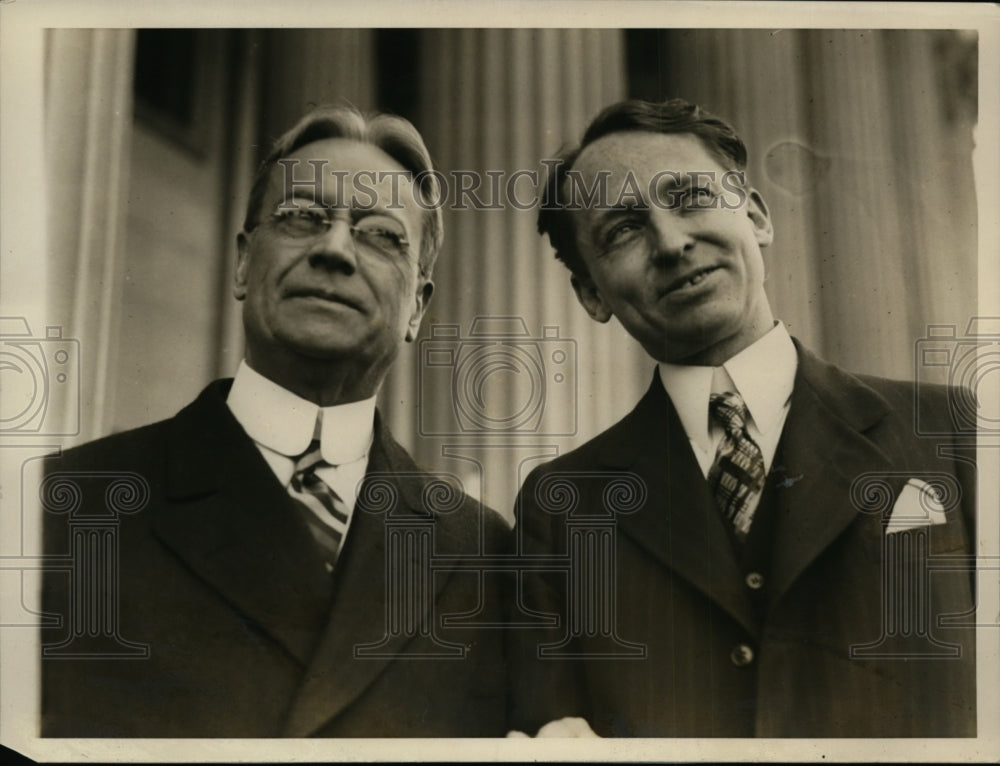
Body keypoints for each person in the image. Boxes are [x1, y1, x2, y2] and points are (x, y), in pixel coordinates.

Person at [508, 98, 976, 737]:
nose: (671, 243)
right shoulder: (562, 508)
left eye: (690, 197)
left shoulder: (955, 429)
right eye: (623, 230)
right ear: (592, 293)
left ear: (755, 215)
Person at [40, 105, 509, 737]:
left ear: (417, 307)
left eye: (380, 234)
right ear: (242, 262)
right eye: (302, 218)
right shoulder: (64, 505)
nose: (335, 249)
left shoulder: (483, 552)